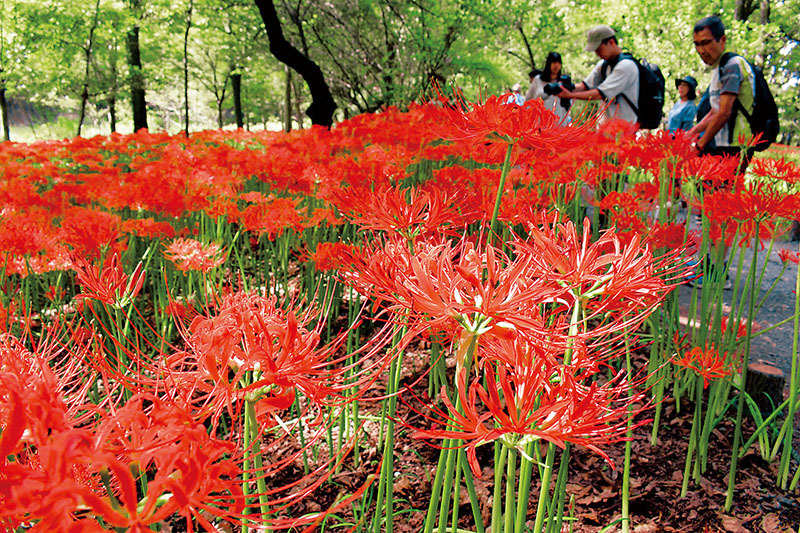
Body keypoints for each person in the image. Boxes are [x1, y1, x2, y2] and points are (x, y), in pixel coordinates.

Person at [687, 15, 756, 170]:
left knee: (726, 184)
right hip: (725, 142)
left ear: (722, 40)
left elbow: (724, 112)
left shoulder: (731, 66)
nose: (701, 50)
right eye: (697, 44)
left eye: (706, 43)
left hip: (737, 144)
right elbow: (715, 111)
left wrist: (699, 146)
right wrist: (690, 134)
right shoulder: (719, 68)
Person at [557, 25, 639, 126]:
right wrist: (563, 88)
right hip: (607, 128)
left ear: (611, 42)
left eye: (599, 49)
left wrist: (570, 95)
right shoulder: (604, 65)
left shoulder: (626, 66)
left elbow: (600, 94)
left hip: (625, 129)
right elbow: (585, 86)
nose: (597, 54)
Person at [525, 52, 570, 120]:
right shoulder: (538, 80)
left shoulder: (564, 83)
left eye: (559, 63)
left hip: (560, 121)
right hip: (539, 121)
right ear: (549, 63)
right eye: (554, 62)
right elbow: (527, 101)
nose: (556, 65)